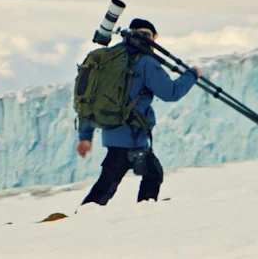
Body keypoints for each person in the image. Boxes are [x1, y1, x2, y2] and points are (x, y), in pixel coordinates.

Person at [76, 18, 202, 207]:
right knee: (132, 178)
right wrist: (192, 75)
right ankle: (138, 210)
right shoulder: (145, 62)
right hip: (132, 136)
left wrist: (85, 136)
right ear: (151, 37)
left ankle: (138, 209)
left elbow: (91, 99)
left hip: (114, 133)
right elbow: (170, 93)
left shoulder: (110, 59)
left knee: (123, 178)